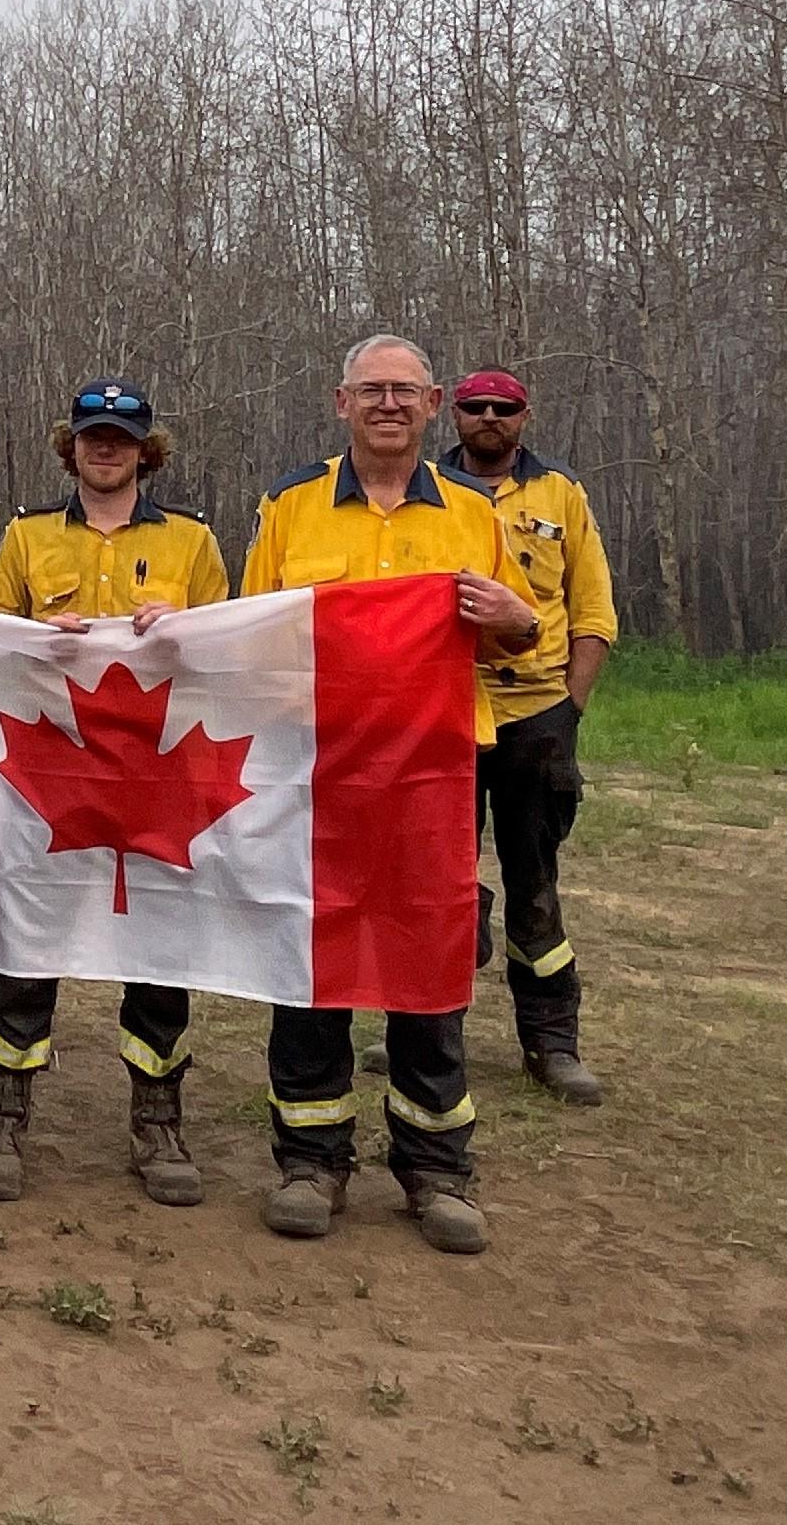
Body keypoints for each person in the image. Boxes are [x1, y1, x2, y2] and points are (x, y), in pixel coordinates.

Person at [240, 332, 541, 1255]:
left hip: (431, 774)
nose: (386, 405)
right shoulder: (291, 508)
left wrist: (513, 620)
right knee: (313, 953)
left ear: (433, 402)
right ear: (341, 403)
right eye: (370, 390)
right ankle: (311, 1158)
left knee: (425, 957)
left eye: (404, 391)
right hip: (317, 768)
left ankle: (437, 1169)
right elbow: (248, 634)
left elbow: (523, 628)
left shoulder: (472, 513)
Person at [0, 376, 230, 1206]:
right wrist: (37, 639)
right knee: (29, 942)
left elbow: (231, 658)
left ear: (146, 450)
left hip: (155, 783)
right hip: (52, 781)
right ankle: (2, 1113)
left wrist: (183, 636)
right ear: (70, 445)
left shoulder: (193, 544)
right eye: (91, 436)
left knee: (159, 953)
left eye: (120, 437)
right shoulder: (27, 537)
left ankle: (158, 1119)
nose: (104, 448)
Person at [442, 367, 619, 1107]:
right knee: (436, 885)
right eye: (475, 407)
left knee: (535, 885)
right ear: (453, 414)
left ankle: (552, 1041)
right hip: (443, 714)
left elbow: (594, 611)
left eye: (503, 408)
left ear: (524, 415)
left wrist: (569, 705)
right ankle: (427, 1037)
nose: (488, 418)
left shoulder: (561, 495)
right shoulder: (424, 493)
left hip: (533, 715)